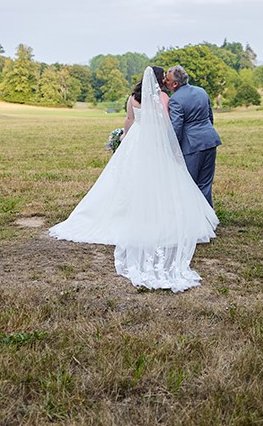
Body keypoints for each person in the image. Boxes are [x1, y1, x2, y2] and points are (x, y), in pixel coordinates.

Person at [49, 66, 218, 292]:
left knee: (124, 182)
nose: (166, 82)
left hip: (136, 141)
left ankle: (125, 214)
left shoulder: (132, 98)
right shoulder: (164, 98)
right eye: (164, 79)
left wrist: (125, 142)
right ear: (159, 81)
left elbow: (129, 121)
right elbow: (167, 126)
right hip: (155, 142)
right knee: (165, 182)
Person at [164, 64, 222, 207]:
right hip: (210, 140)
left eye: (168, 80)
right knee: (206, 183)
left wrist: (172, 148)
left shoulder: (175, 99)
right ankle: (207, 215)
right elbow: (210, 116)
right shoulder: (201, 91)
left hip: (192, 145)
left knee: (189, 183)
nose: (165, 81)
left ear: (175, 84)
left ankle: (193, 216)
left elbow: (176, 127)